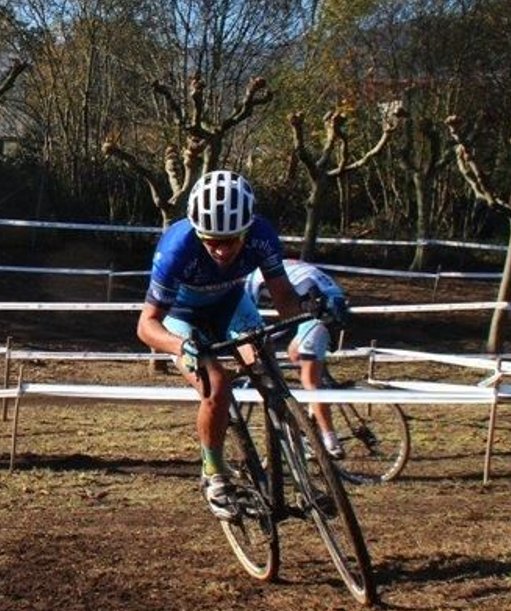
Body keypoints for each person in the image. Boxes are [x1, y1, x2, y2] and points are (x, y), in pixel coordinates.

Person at [135, 170, 304, 520]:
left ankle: (295, 465)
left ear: (247, 229)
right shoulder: (177, 247)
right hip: (182, 316)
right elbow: (146, 325)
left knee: (268, 369)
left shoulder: (262, 236)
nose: (222, 250)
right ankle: (213, 472)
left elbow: (284, 295)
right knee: (216, 383)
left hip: (230, 305)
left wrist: (308, 322)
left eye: (231, 240)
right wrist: (180, 347)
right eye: (211, 240)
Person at [246, 259, 352, 460]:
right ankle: (313, 414)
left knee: (309, 381)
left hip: (320, 311)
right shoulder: (275, 264)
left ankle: (330, 442)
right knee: (294, 353)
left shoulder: (251, 278)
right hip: (327, 306)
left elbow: (247, 318)